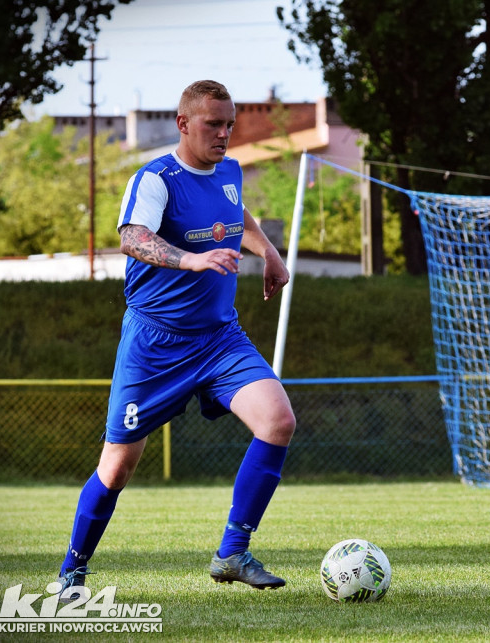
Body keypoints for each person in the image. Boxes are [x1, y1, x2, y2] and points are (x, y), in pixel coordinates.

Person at [56, 80, 296, 600]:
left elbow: (237, 216)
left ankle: (233, 553)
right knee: (116, 468)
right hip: (155, 345)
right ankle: (73, 570)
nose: (225, 134)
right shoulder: (155, 179)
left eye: (230, 123)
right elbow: (132, 237)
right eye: (214, 124)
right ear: (184, 124)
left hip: (218, 338)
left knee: (278, 421)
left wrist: (268, 252)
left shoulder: (229, 172)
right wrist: (191, 259)